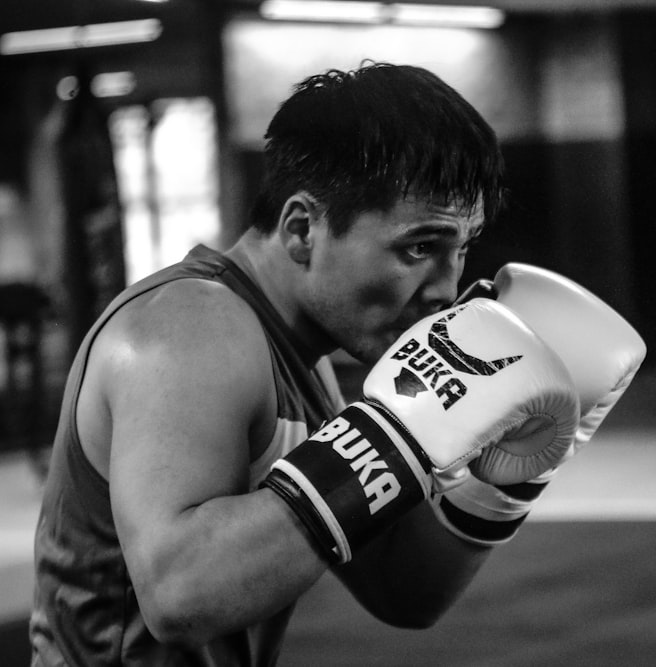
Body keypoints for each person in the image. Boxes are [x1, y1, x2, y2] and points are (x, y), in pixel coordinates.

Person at [29, 62, 587, 666]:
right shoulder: (190, 327)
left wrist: (500, 482)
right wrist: (397, 437)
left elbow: (403, 592)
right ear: (302, 229)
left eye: (461, 249)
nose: (446, 290)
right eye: (419, 247)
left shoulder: (308, 361)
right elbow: (179, 594)